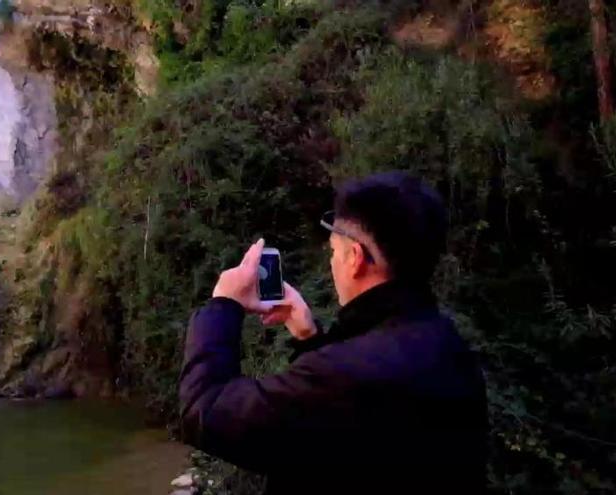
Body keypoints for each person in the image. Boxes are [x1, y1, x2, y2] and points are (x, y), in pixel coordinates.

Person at [179, 171, 487, 494]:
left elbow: (206, 410)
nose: (332, 263)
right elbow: (343, 438)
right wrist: (310, 337)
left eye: (333, 252)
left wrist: (223, 305)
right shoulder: (448, 345)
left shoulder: (347, 377)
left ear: (354, 258)